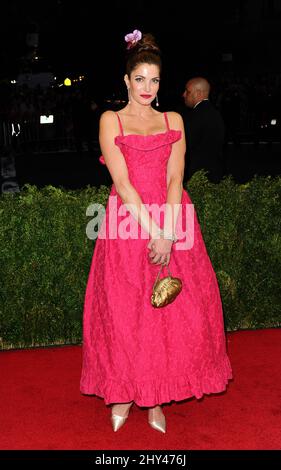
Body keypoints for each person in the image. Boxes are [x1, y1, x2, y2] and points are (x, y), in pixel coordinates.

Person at [80, 30, 232, 433]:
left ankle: (156, 399)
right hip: (126, 223)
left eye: (155, 80)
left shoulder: (173, 119)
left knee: (168, 314)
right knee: (125, 312)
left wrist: (169, 230)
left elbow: (175, 177)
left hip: (172, 216)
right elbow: (124, 184)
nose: (148, 87)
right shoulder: (110, 119)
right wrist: (155, 234)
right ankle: (124, 394)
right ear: (126, 81)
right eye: (140, 79)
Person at [182, 77, 225, 183]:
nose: (183, 95)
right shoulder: (215, 113)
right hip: (215, 174)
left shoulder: (195, 116)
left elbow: (186, 147)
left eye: (187, 91)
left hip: (198, 177)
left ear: (198, 93)